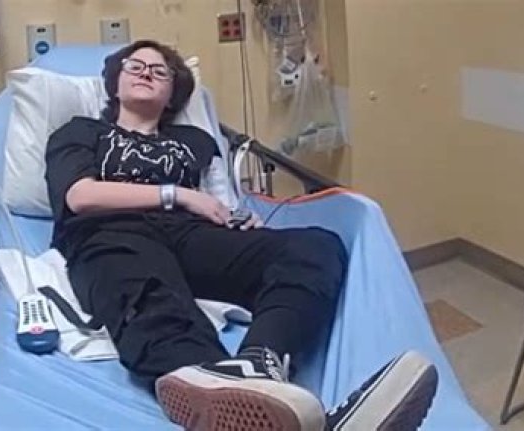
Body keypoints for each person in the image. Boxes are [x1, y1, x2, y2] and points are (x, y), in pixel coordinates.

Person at [45, 39, 438, 430]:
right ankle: (257, 409)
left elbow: (220, 196)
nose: (147, 73)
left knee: (314, 247)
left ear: (172, 95)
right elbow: (81, 196)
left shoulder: (194, 141)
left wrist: (236, 220)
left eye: (159, 71)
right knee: (154, 303)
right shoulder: (81, 131)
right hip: (110, 232)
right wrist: (178, 194)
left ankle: (257, 363)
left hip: (190, 233)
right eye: (136, 66)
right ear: (115, 84)